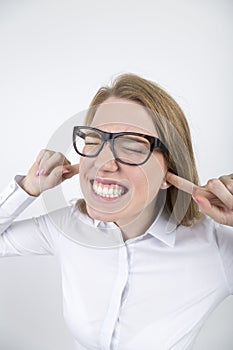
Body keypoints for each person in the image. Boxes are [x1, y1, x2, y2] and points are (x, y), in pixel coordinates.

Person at [0, 73, 232, 350]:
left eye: (133, 146)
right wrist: (28, 187)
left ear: (170, 171)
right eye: (94, 141)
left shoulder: (216, 249)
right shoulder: (66, 227)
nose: (104, 163)